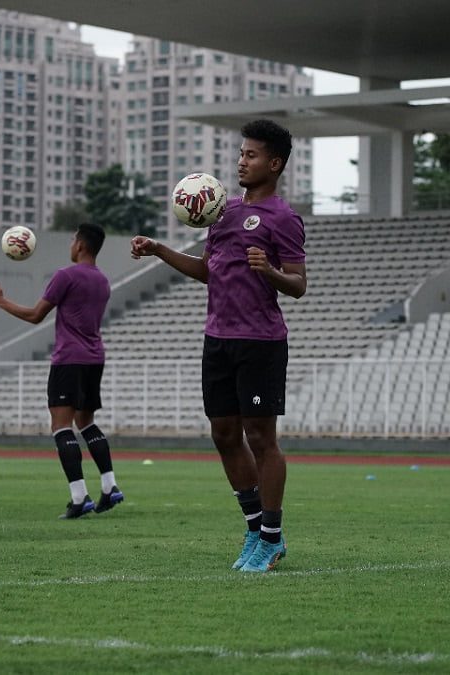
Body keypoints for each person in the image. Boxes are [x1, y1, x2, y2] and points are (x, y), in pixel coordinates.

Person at [131, 119, 306, 573]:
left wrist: (269, 271)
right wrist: (160, 250)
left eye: (251, 155)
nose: (241, 162)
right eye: (241, 154)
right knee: (224, 435)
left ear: (275, 163)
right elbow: (209, 271)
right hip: (218, 339)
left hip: (260, 342)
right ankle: (256, 530)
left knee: (262, 439)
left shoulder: (283, 218)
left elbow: (298, 284)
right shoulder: (222, 211)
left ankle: (271, 538)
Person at [0, 223, 123, 519]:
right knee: (86, 422)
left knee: (61, 426)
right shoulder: (102, 280)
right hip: (95, 358)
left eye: (72, 239)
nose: (71, 244)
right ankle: (110, 486)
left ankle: (79, 497)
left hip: (69, 359)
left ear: (80, 245)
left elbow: (35, 315)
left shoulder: (65, 276)